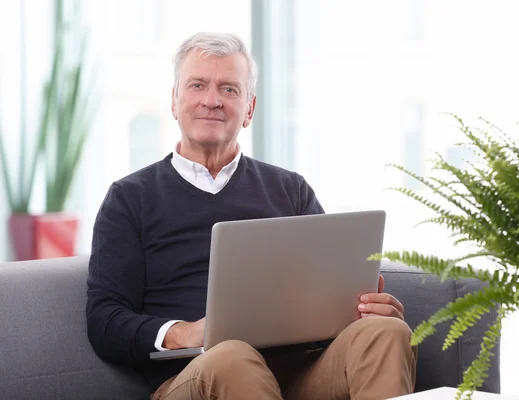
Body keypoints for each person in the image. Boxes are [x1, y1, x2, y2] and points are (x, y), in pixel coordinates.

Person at [86, 32, 417, 400]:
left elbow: (330, 292)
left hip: (301, 373)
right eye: (197, 85)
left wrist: (363, 308)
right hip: (198, 376)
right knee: (232, 355)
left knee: (387, 333)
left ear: (249, 110)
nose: (212, 100)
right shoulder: (129, 198)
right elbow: (105, 319)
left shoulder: (291, 190)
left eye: (229, 89)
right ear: (175, 101)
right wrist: (182, 332)